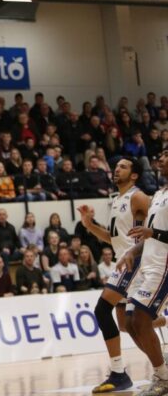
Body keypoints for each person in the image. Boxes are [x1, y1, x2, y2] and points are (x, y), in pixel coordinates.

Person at [77, 157, 150, 392]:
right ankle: (158, 361)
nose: (117, 169)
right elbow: (113, 239)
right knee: (128, 325)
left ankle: (119, 372)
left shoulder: (138, 197)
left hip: (135, 262)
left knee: (102, 310)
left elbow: (159, 224)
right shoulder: (117, 199)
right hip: (122, 262)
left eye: (123, 167)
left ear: (134, 175)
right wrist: (90, 225)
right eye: (116, 166)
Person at [117, 148, 168, 396]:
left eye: (167, 154)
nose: (161, 158)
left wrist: (153, 233)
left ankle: (163, 377)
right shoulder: (158, 194)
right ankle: (163, 368)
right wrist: (132, 252)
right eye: (161, 154)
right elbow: (149, 236)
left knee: (140, 319)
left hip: (163, 266)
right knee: (129, 323)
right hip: (146, 263)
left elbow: (153, 234)